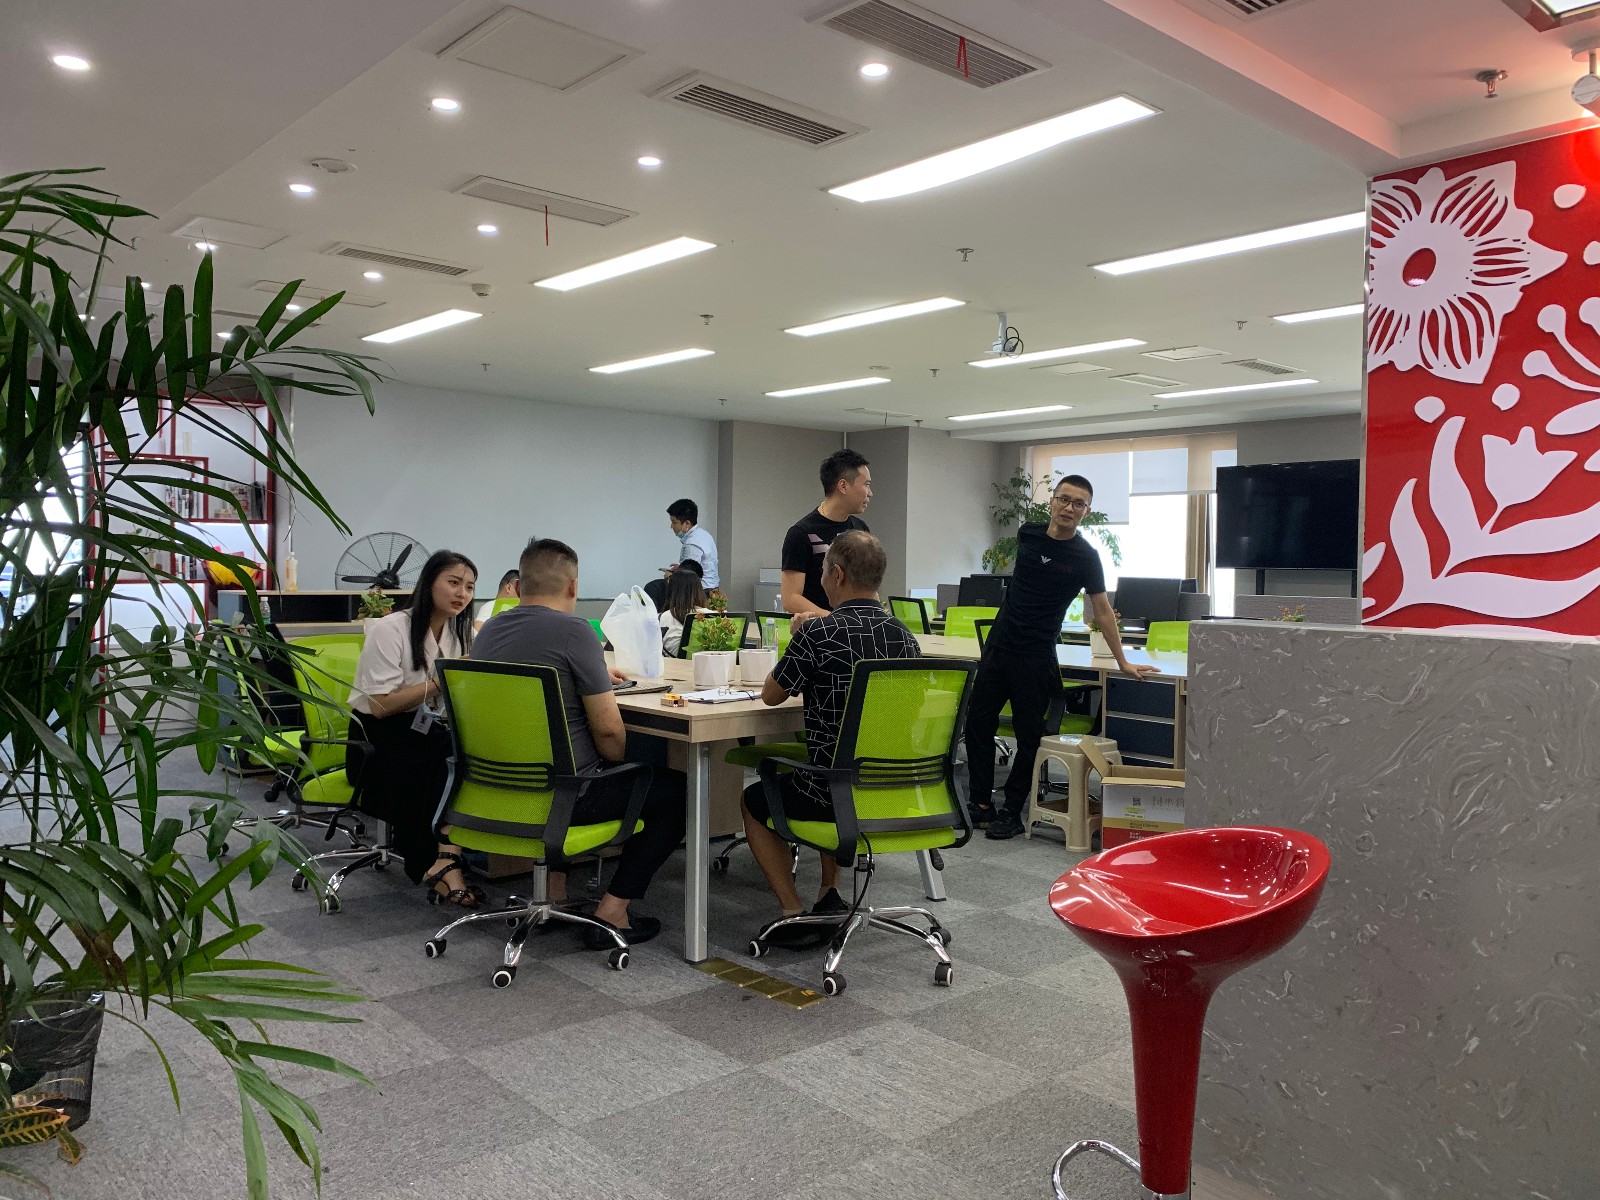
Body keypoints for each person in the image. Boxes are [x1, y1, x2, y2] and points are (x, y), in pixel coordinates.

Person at [470, 537, 686, 947]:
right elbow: (608, 732)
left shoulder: (489, 630)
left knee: (570, 756)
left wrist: (596, 675)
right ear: (573, 586)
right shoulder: (575, 630)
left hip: (496, 789)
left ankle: (555, 892)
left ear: (519, 585)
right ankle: (613, 912)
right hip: (565, 795)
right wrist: (617, 764)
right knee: (676, 791)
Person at [742, 531, 918, 945]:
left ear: (836, 574)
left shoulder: (818, 634)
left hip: (831, 793)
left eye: (823, 572)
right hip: (892, 789)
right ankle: (829, 890)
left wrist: (797, 639)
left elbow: (771, 695)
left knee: (755, 798)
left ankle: (792, 910)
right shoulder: (905, 638)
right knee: (834, 760)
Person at [964, 474, 1157, 841]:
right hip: (998, 647)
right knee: (977, 724)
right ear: (1052, 501)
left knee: (1028, 737)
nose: (1069, 507)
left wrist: (1122, 661)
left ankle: (1011, 811)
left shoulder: (1086, 557)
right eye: (1064, 499)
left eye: (1078, 503)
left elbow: (1102, 611)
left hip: (1035, 656)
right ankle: (981, 804)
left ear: (1087, 512)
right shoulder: (1027, 533)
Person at [348, 550, 486, 906]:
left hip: (423, 728)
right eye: (453, 582)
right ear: (429, 583)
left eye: (469, 587)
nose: (462, 593)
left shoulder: (460, 633)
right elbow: (380, 706)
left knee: (469, 751)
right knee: (446, 757)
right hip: (376, 738)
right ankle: (436, 862)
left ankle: (447, 856)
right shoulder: (390, 628)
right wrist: (444, 679)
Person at [780, 448, 871, 631]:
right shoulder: (801, 533)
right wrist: (834, 620)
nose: (870, 493)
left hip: (857, 630)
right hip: (819, 631)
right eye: (866, 485)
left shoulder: (861, 530)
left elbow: (868, 586)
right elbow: (790, 598)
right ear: (843, 486)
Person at [662, 498, 719, 589]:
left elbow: (687, 580)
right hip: (712, 588)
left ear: (687, 523)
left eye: (674, 522)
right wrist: (681, 568)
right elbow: (697, 568)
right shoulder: (704, 535)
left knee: (654, 587)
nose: (671, 526)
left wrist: (669, 577)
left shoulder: (691, 544)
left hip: (700, 591)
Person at [658, 565, 711, 658]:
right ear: (699, 590)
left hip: (673, 665)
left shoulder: (662, 618)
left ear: (671, 590)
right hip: (708, 664)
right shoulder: (713, 616)